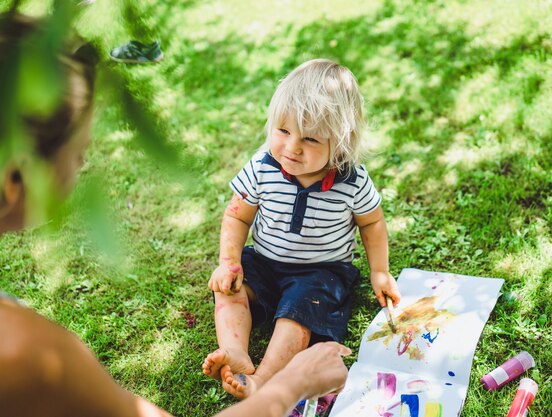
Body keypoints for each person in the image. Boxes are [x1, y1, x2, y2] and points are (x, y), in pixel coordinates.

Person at [0, 12, 348, 417]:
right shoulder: (26, 352)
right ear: (13, 180)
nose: (84, 161)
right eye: (78, 149)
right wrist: (293, 383)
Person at [203, 59, 402, 399]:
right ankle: (235, 351)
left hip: (320, 274)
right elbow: (237, 216)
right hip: (264, 264)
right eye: (283, 131)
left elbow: (372, 222)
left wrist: (379, 271)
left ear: (340, 142)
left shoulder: (351, 180)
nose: (292, 146)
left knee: (298, 315)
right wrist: (229, 261)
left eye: (309, 138)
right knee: (228, 288)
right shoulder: (262, 166)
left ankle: (263, 378)